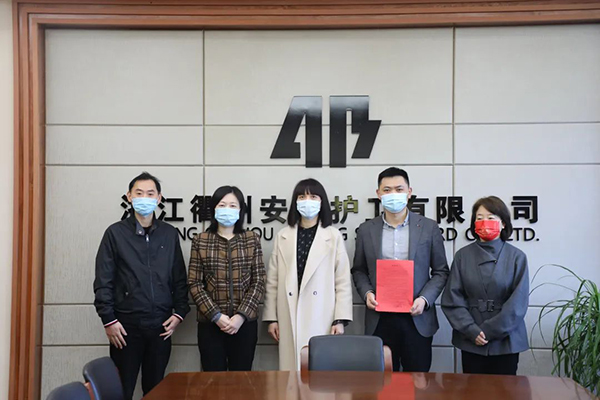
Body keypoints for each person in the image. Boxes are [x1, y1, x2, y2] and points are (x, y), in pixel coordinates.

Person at [93, 172, 190, 399]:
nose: (144, 198)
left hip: (161, 326)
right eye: (139, 193)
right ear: (129, 196)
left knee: (156, 390)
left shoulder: (169, 234)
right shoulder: (115, 233)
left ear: (159, 198)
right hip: (125, 327)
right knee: (121, 390)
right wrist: (109, 319)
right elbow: (103, 280)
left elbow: (179, 278)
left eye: (150, 193)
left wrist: (179, 313)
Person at [352, 167, 449, 372]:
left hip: (417, 318)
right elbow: (359, 270)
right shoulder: (366, 230)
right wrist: (367, 293)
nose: (393, 194)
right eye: (387, 190)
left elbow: (441, 271)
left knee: (418, 381)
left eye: (399, 189)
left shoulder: (429, 228)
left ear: (409, 192)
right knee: (383, 382)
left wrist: (425, 299)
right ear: (378, 194)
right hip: (380, 318)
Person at [263, 178, 353, 371]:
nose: (307, 201)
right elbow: (272, 281)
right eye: (302, 197)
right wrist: (272, 318)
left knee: (319, 374)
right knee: (291, 373)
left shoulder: (333, 236)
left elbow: (342, 281)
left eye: (313, 197)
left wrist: (339, 319)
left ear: (322, 202)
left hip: (322, 314)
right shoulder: (283, 235)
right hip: (288, 312)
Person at [442, 196, 529, 375]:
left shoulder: (517, 257)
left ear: (503, 223)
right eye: (479, 218)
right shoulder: (462, 256)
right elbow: (452, 298)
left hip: (506, 340)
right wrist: (471, 330)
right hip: (470, 339)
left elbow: (518, 303)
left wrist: (489, 331)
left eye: (491, 217)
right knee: (472, 388)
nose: (484, 222)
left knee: (506, 389)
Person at [188, 186, 265, 371]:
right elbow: (195, 283)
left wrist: (241, 316)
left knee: (242, 379)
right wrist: (216, 316)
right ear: (214, 209)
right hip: (211, 325)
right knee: (213, 380)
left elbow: (259, 281)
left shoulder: (251, 239)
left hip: (244, 324)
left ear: (240, 210)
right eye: (222, 205)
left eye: (232, 205)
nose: (227, 209)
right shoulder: (201, 240)